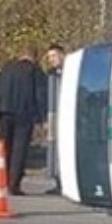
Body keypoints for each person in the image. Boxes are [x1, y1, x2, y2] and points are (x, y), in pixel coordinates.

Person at [0, 46, 45, 195]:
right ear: (34, 57)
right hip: (24, 113)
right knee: (19, 150)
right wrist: (42, 118)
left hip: (4, 111)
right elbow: (40, 94)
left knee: (3, 146)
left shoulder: (7, 68)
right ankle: (13, 184)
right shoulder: (35, 71)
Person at [43, 44, 65, 195]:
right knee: (55, 148)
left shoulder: (71, 71)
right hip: (54, 116)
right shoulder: (50, 74)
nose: (51, 60)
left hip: (68, 116)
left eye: (54, 56)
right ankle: (58, 182)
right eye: (49, 57)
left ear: (62, 55)